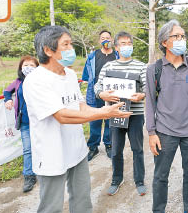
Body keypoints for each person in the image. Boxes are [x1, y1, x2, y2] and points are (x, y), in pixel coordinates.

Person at [23, 25, 132, 213]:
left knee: (82, 202)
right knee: (51, 207)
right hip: (51, 156)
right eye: (65, 44)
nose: (71, 49)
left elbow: (80, 106)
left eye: (71, 43)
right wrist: (104, 114)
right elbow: (62, 115)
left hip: (78, 151)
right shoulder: (36, 80)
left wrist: (106, 109)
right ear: (48, 50)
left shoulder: (71, 75)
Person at [145, 19, 188, 213]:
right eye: (176, 36)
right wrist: (151, 132)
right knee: (160, 177)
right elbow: (150, 102)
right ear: (164, 42)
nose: (182, 39)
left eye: (183, 36)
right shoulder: (154, 69)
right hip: (165, 132)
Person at [94, 31, 147, 196]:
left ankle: (140, 181)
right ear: (116, 47)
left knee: (137, 149)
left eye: (129, 43)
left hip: (135, 114)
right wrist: (102, 94)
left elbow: (147, 87)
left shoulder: (141, 66)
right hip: (115, 113)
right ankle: (117, 179)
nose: (126, 46)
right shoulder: (109, 66)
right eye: (123, 44)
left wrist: (142, 95)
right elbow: (98, 86)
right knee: (116, 149)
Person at [3, 55, 39, 193]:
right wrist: (8, 99)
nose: (28, 68)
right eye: (25, 65)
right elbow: (7, 90)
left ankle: (45, 169)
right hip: (25, 121)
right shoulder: (18, 82)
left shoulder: (42, 81)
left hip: (41, 121)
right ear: (21, 68)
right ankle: (29, 175)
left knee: (43, 145)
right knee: (28, 149)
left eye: (32, 65)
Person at [82, 30, 119, 160]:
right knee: (94, 120)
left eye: (107, 38)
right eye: (102, 38)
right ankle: (93, 147)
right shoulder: (92, 56)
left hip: (112, 93)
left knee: (110, 120)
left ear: (112, 40)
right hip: (94, 93)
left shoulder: (117, 55)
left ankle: (109, 145)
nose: (105, 40)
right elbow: (86, 76)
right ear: (99, 41)